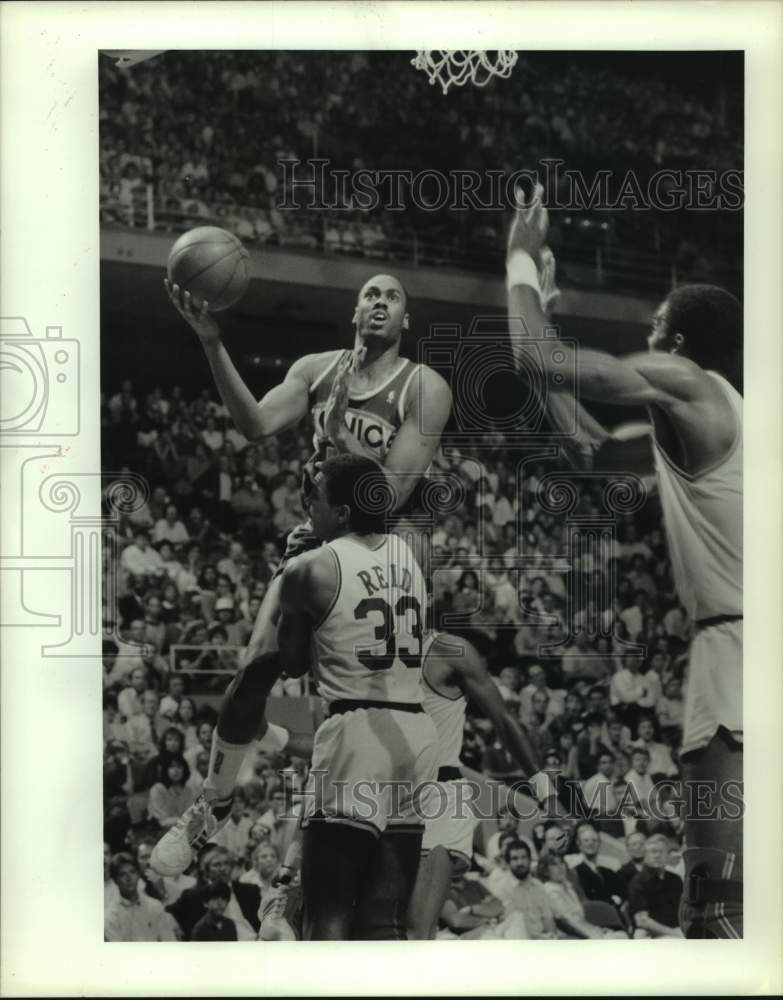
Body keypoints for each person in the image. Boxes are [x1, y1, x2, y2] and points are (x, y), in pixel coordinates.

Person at [153, 272, 451, 875]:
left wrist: (328, 512)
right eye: (370, 293)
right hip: (317, 547)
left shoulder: (424, 386)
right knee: (256, 667)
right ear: (354, 308)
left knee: (359, 709)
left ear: (405, 320)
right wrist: (213, 343)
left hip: (376, 556)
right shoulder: (318, 369)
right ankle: (213, 804)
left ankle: (325, 864)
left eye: (393, 297)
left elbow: (388, 490)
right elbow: (257, 424)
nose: (379, 303)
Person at [507, 185, 742, 937]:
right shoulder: (723, 413)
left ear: (675, 346)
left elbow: (533, 354)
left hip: (738, 646)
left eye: (653, 326)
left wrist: (517, 259)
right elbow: (584, 444)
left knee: (714, 901)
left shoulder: (687, 385)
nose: (644, 334)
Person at [273, 454, 440, 940]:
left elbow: (292, 664)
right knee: (384, 919)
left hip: (356, 732)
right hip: (416, 733)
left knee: (327, 913)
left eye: (314, 501)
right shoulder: (412, 550)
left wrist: (288, 569)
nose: (307, 508)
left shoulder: (308, 568)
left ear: (343, 512)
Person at [406, 631, 540, 939]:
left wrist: (541, 782)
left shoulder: (445, 651)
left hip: (438, 793)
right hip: (384, 791)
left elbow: (504, 719)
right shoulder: (367, 647)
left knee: (416, 932)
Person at [104, 853, 176, 942]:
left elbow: (169, 941)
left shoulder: (155, 906)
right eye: (122, 874)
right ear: (115, 880)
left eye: (132, 872)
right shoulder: (110, 916)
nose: (129, 878)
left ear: (138, 875)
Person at [627, 834, 685, 938]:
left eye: (661, 852)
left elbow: (684, 911)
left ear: (667, 855)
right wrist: (674, 933)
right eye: (653, 851)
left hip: (678, 930)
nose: (657, 855)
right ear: (645, 854)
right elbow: (642, 921)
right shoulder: (638, 882)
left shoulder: (675, 879)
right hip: (651, 934)